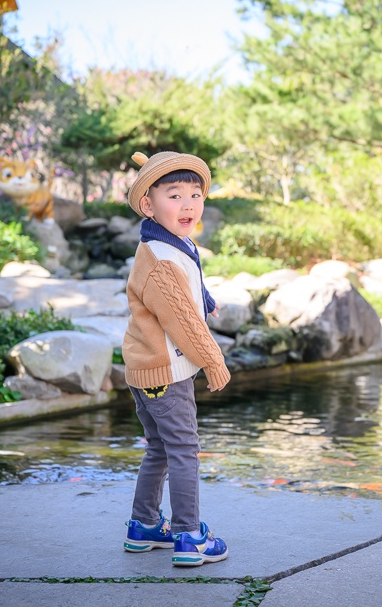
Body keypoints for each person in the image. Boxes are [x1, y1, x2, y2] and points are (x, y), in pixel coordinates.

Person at [121, 150, 231, 567]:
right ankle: (189, 536)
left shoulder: (166, 243)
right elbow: (183, 322)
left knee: (160, 448)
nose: (188, 205)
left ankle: (144, 525)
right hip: (166, 371)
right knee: (184, 449)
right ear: (148, 204)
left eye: (195, 194)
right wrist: (214, 361)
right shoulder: (162, 258)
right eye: (174, 195)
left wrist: (206, 300)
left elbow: (186, 291)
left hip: (145, 367)